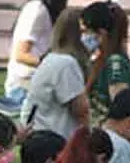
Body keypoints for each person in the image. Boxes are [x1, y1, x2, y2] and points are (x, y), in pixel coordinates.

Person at [0, 0, 72, 116]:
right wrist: (52, 64)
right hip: (25, 85)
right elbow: (21, 55)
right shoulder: (36, 10)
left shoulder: (47, 11)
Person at [22, 9, 91, 140]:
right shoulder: (66, 63)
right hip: (55, 139)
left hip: (43, 133)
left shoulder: (52, 58)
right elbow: (81, 109)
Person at [82, 1, 130, 123]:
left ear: (101, 33)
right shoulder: (98, 60)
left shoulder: (115, 64)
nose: (83, 37)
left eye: (85, 31)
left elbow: (121, 107)